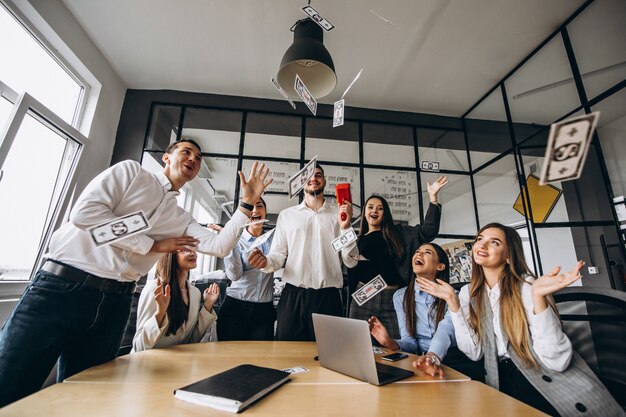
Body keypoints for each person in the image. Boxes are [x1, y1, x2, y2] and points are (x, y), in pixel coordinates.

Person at [0, 139, 273, 407]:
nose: (193, 159)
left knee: (88, 400)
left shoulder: (180, 218)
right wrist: (151, 245)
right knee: (10, 383)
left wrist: (246, 205)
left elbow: (219, 245)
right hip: (62, 287)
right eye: (186, 152)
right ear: (167, 157)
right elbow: (86, 215)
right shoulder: (131, 173)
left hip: (115, 304)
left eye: (198, 158)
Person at [418, 223, 624, 416]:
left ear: (509, 256)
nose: (482, 244)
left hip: (538, 375)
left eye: (494, 242)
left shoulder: (526, 287)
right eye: (480, 239)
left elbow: (557, 361)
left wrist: (539, 298)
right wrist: (453, 303)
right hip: (497, 376)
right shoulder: (467, 293)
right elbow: (474, 353)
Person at [247, 164, 359, 341]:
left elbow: (350, 261)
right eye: (308, 176)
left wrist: (346, 228)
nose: (313, 179)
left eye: (318, 175)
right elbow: (278, 255)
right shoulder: (287, 216)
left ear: (324, 181)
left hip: (328, 298)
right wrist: (266, 262)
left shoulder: (337, 216)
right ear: (301, 182)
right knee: (287, 357)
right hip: (294, 298)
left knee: (330, 357)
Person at [347, 176, 448, 339]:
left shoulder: (400, 233)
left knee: (396, 346)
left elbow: (428, 231)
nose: (374, 211)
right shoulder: (355, 241)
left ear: (385, 213)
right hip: (364, 295)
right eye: (370, 207)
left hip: (393, 297)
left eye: (380, 208)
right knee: (356, 343)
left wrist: (433, 199)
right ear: (365, 212)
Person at [368, 243, 483, 380]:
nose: (419, 254)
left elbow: (446, 329)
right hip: (421, 360)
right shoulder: (400, 296)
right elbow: (410, 342)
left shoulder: (455, 296)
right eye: (417, 251)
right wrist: (390, 343)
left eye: (427, 252)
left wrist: (432, 356)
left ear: (440, 266)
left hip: (456, 359)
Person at [132, 249, 219, 352]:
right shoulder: (155, 289)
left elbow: (192, 340)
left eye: (193, 249)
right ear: (170, 255)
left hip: (178, 363)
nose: (192, 253)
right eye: (184, 250)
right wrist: (160, 313)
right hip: (148, 363)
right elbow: (139, 347)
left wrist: (207, 305)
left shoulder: (195, 293)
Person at [217, 198, 276, 341]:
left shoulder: (274, 240)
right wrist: (229, 243)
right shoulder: (236, 239)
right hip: (236, 307)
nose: (255, 210)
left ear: (265, 211)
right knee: (231, 356)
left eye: (260, 206)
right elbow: (234, 275)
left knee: (261, 358)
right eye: (251, 207)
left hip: (264, 309)